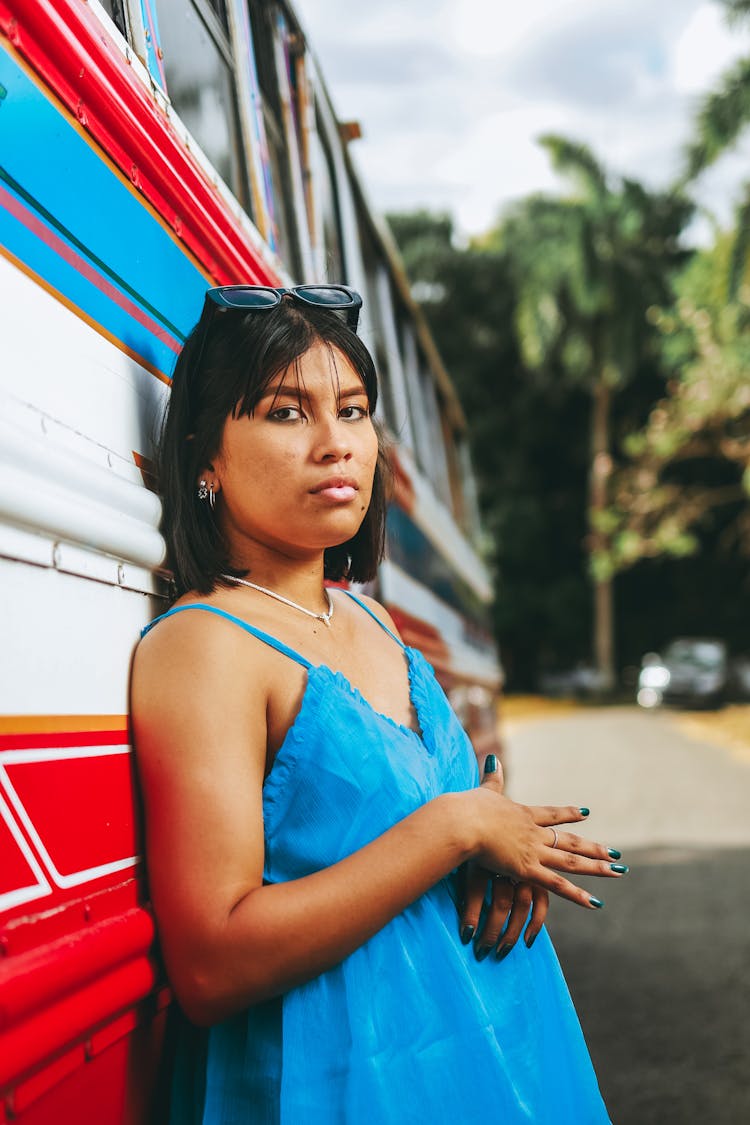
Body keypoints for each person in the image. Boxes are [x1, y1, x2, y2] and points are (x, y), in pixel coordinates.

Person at [131, 285, 624, 1123]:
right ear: (204, 455)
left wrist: (504, 849)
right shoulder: (204, 644)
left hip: (498, 1042)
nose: (337, 445)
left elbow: (441, 811)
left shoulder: (367, 612)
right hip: (347, 1076)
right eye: (287, 414)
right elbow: (212, 963)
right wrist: (456, 829)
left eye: (353, 411)